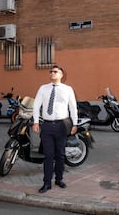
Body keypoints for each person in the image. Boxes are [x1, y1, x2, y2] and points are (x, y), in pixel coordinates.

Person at [32, 65, 78, 193]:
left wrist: (75, 124)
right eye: (51, 71)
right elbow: (36, 105)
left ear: (61, 75)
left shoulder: (68, 89)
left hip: (61, 125)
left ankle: (59, 178)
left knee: (60, 155)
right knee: (48, 155)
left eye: (55, 72)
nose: (52, 73)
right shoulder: (43, 88)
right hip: (46, 126)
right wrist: (36, 121)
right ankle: (47, 183)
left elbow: (73, 107)